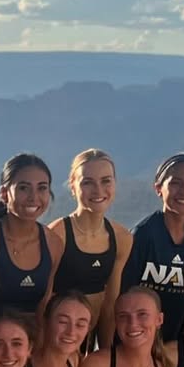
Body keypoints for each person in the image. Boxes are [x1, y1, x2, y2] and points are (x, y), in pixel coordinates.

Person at [119, 154, 184, 345]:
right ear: (158, 189)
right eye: (175, 183)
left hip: (180, 344)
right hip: (139, 341)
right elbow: (125, 296)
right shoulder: (141, 235)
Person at [48, 149, 132, 349]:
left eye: (106, 181)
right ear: (73, 185)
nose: (98, 190)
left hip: (88, 344)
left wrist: (106, 355)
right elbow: (43, 301)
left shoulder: (122, 238)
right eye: (88, 182)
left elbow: (109, 306)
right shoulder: (57, 235)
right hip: (55, 344)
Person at [0, 154, 63, 320]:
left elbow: (43, 305)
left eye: (42, 188)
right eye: (23, 188)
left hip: (30, 335)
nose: (34, 197)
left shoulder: (53, 243)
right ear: (5, 194)